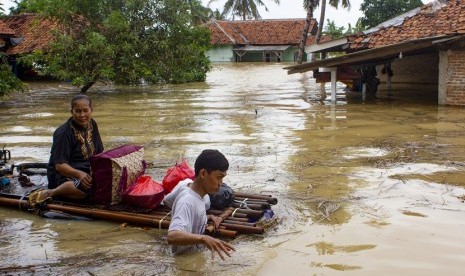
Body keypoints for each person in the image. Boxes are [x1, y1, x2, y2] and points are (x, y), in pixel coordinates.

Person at [28, 94, 104, 206]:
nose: (82, 115)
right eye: (78, 111)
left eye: (85, 111)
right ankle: (51, 192)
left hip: (87, 170)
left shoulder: (92, 124)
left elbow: (99, 152)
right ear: (71, 111)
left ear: (91, 110)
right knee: (85, 189)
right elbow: (59, 166)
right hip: (64, 174)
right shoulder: (63, 133)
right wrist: (79, 175)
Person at [167, 149, 235, 260]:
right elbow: (172, 236)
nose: (221, 183)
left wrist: (206, 217)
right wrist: (203, 238)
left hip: (194, 256)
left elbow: (190, 215)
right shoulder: (187, 200)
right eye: (219, 177)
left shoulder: (200, 196)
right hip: (184, 261)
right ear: (203, 173)